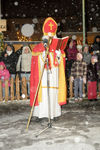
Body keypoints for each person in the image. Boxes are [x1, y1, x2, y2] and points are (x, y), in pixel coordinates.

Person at [30, 17, 67, 120]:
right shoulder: (39, 47)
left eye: (52, 35)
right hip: (44, 75)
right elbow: (37, 61)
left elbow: (60, 62)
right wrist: (44, 54)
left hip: (54, 75)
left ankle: (54, 114)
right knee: (44, 94)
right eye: (49, 35)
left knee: (53, 93)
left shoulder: (57, 48)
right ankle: (42, 114)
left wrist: (58, 54)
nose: (50, 37)